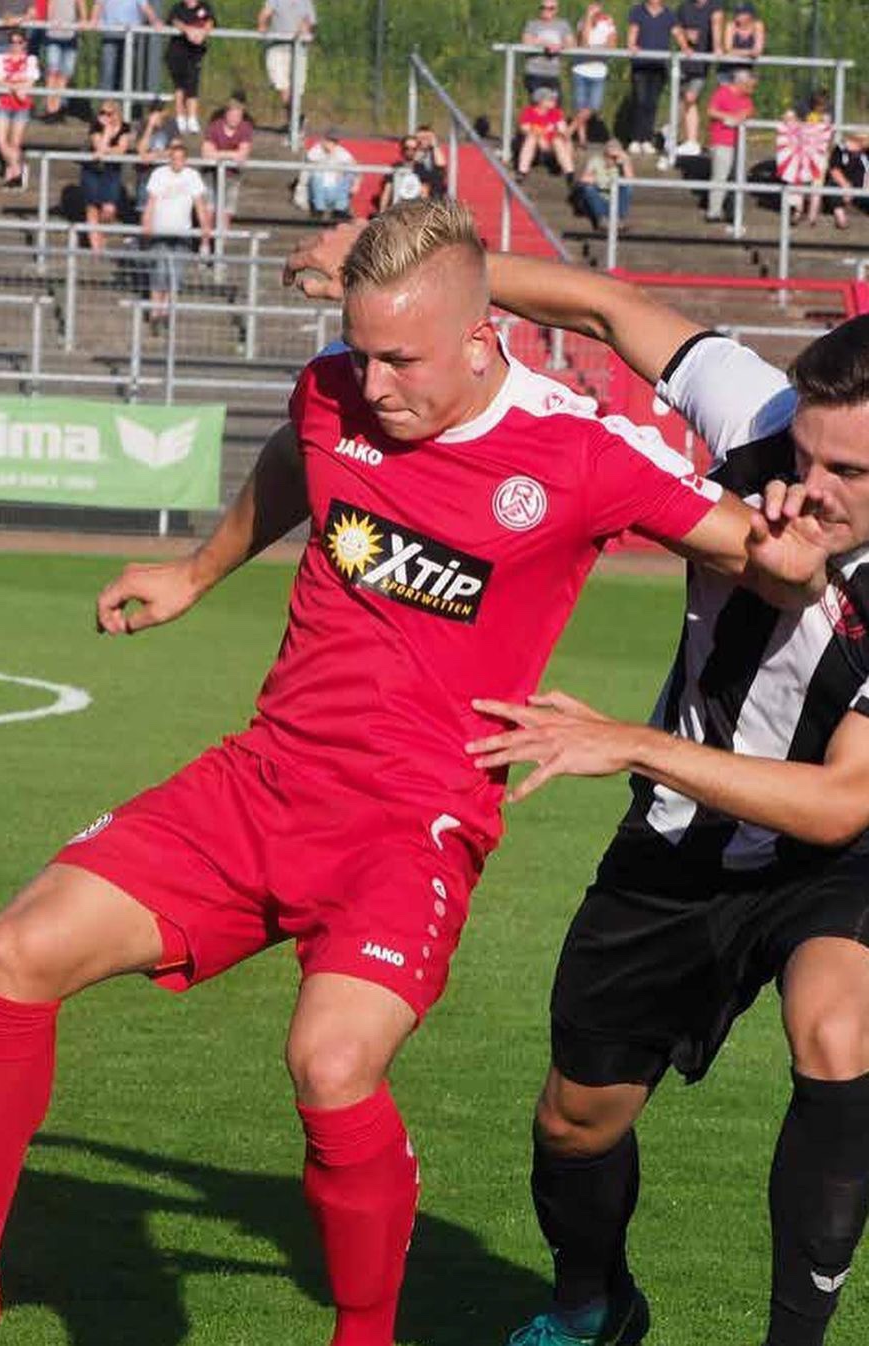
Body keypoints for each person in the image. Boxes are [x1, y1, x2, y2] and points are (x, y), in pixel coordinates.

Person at [0, 198, 827, 1346]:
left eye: (402, 360)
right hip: (265, 778)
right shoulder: (333, 392)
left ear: (482, 337)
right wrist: (197, 572)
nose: (374, 382)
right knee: (14, 950)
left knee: (332, 1061)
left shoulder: (581, 450)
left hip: (415, 822)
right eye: (361, 351)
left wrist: (794, 555)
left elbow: (763, 556)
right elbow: (297, 461)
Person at [398, 255, 869, 1346]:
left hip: (833, 857)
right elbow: (607, 308)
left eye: (848, 469)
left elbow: (843, 804)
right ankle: (593, 1303)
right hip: (676, 846)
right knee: (576, 1121)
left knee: (838, 1034)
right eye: (804, 454)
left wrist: (630, 742)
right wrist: (442, 265)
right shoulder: (756, 410)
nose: (811, 485)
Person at [140, 136, 212, 324]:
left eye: (181, 159)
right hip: (160, 230)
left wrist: (205, 229)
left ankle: (167, 311)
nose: (177, 162)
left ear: (185, 160)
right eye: (174, 158)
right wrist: (146, 223)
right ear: (169, 159)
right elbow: (151, 202)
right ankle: (155, 311)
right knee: (159, 271)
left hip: (182, 232)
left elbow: (200, 205)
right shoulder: (159, 174)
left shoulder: (192, 176)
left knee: (175, 273)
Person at [626, 0, 683, 155]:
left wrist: (685, 47)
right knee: (640, 101)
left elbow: (677, 33)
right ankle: (635, 139)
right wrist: (631, 44)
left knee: (652, 103)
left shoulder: (669, 13)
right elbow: (633, 32)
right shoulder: (637, 10)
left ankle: (646, 139)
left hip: (659, 66)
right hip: (641, 65)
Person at [0, 27, 40, 188]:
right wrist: (15, 88)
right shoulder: (1, 58)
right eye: (12, 42)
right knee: (0, 141)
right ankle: (18, 169)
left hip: (22, 105)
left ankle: (11, 177)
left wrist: (12, 86)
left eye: (19, 42)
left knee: (14, 143)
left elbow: (30, 81)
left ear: (25, 43)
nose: (15, 45)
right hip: (4, 102)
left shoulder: (31, 60)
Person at [257, 0, 316, 131]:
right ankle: (295, 120)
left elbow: (311, 23)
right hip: (277, 47)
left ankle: (294, 123)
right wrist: (262, 25)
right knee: (281, 84)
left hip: (298, 48)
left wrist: (306, 29)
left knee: (297, 87)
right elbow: (264, 14)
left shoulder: (306, 2)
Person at [776, 94, 833, 229]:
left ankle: (812, 215)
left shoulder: (826, 118)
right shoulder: (802, 114)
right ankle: (798, 211)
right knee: (798, 180)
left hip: (818, 155)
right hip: (802, 155)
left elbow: (828, 136)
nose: (821, 109)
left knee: (817, 184)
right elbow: (787, 119)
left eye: (823, 106)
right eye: (819, 105)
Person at [705, 65, 755, 221]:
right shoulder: (722, 92)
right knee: (720, 176)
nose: (752, 89)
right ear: (740, 83)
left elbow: (748, 111)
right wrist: (728, 117)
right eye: (749, 85)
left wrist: (742, 116)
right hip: (722, 141)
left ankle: (733, 212)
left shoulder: (746, 98)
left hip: (738, 143)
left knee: (737, 176)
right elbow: (711, 111)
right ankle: (713, 211)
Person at [675, 0, 724, 155]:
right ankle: (689, 139)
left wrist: (717, 47)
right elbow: (676, 29)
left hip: (702, 63)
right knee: (683, 100)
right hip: (685, 61)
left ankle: (688, 138)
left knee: (690, 97)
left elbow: (717, 25)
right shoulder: (684, 7)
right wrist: (685, 38)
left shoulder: (715, 6)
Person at [81, 99, 131, 249]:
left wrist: (105, 150)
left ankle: (100, 234)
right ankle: (95, 248)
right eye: (102, 113)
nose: (105, 116)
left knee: (109, 210)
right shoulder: (95, 126)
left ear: (117, 114)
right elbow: (98, 146)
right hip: (92, 170)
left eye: (109, 113)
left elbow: (121, 150)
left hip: (111, 171)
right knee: (92, 208)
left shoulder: (124, 127)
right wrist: (107, 131)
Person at [200, 93, 253, 230]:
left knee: (226, 213)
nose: (236, 119)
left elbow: (243, 154)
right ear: (226, 114)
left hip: (232, 175)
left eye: (239, 116)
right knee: (208, 211)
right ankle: (205, 241)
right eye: (233, 115)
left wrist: (218, 154)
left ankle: (222, 241)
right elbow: (206, 154)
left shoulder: (245, 128)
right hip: (210, 174)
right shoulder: (214, 127)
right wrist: (231, 154)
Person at [568, 3, 617, 149]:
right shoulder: (582, 22)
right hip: (580, 70)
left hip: (599, 71)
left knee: (594, 106)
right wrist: (588, 19)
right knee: (580, 106)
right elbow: (584, 43)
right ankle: (582, 140)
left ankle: (568, 131)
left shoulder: (608, 23)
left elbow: (612, 46)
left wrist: (597, 49)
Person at [164, 0, 215, 135]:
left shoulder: (205, 7)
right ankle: (180, 118)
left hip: (195, 54)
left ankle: (192, 118)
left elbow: (210, 21)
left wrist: (202, 33)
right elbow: (174, 21)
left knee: (192, 84)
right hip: (177, 52)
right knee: (179, 86)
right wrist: (188, 30)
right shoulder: (177, 7)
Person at [91, 0, 161, 94]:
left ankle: (122, 100)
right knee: (108, 70)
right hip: (110, 34)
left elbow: (146, 7)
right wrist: (93, 20)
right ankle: (107, 101)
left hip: (130, 36)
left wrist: (155, 21)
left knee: (127, 71)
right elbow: (98, 4)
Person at [516, 86, 576, 182]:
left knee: (557, 141)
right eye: (550, 99)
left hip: (552, 144)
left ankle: (569, 173)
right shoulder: (529, 111)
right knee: (532, 138)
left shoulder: (556, 112)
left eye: (554, 99)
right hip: (536, 143)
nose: (554, 101)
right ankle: (522, 171)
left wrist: (560, 131)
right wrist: (541, 134)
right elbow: (524, 128)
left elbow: (563, 130)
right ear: (541, 102)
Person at [41, 0, 89, 120]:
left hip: (70, 35)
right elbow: (49, 5)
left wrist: (83, 20)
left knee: (65, 73)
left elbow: (81, 3)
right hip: (53, 35)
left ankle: (57, 108)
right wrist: (49, 22)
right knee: (52, 71)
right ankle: (49, 108)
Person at [574, 136, 633, 230]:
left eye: (615, 157)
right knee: (588, 189)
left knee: (628, 188)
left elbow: (630, 181)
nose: (612, 160)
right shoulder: (595, 161)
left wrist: (625, 161)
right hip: (600, 198)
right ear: (605, 154)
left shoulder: (622, 164)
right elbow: (584, 179)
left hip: (616, 199)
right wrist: (602, 181)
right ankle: (602, 219)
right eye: (610, 156)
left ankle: (619, 219)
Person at [520, 0, 574, 103]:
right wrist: (546, 44)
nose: (546, 10)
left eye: (550, 8)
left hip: (553, 74)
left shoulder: (563, 25)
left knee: (555, 105)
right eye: (543, 7)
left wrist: (559, 46)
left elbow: (571, 43)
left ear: (556, 10)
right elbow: (526, 41)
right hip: (534, 72)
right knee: (539, 105)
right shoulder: (532, 24)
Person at [303, 126, 358, 221]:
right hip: (319, 188)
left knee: (348, 175)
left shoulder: (341, 151)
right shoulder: (315, 150)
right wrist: (328, 155)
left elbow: (354, 165)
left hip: (335, 187)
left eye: (335, 141)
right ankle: (318, 209)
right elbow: (310, 162)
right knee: (317, 175)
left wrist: (356, 183)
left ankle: (339, 209)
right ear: (324, 140)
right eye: (330, 140)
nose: (332, 143)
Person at [827, 130, 869, 231]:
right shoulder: (841, 150)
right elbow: (834, 170)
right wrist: (846, 186)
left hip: (862, 189)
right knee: (833, 186)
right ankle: (840, 217)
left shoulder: (865, 152)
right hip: (843, 187)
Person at [376, 134, 427, 212]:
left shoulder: (421, 169)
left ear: (417, 150)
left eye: (414, 149)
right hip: (397, 210)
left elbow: (424, 194)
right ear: (402, 149)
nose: (410, 151)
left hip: (415, 211)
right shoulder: (395, 168)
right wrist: (382, 212)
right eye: (407, 148)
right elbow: (387, 192)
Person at [718, 0, 764, 83]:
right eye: (736, 12)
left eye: (740, 13)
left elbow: (758, 51)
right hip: (726, 70)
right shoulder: (730, 25)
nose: (737, 15)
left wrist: (739, 52)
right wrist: (748, 52)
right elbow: (728, 49)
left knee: (746, 80)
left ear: (750, 15)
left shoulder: (757, 26)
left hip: (745, 71)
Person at [414, 124, 447, 199]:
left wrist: (435, 146)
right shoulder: (414, 151)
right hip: (418, 189)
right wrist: (420, 150)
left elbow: (441, 164)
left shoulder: (435, 152)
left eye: (427, 138)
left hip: (435, 190)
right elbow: (414, 164)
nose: (423, 141)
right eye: (421, 138)